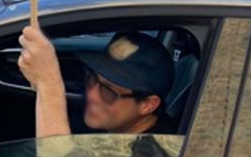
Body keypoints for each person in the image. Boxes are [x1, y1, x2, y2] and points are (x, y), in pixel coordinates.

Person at [18, 26, 175, 139]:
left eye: (107, 91)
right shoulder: (118, 128)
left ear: (148, 105)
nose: (92, 94)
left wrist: (48, 84)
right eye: (92, 78)